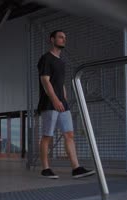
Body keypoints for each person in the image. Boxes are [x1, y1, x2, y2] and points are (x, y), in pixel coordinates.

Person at [37, 30, 95, 179]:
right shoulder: (46, 58)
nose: (63, 40)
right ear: (52, 39)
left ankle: (76, 168)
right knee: (47, 136)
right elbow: (45, 80)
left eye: (65, 38)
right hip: (50, 102)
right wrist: (55, 99)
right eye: (60, 37)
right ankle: (45, 169)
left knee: (69, 134)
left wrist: (63, 97)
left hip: (62, 103)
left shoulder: (61, 62)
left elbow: (60, 82)